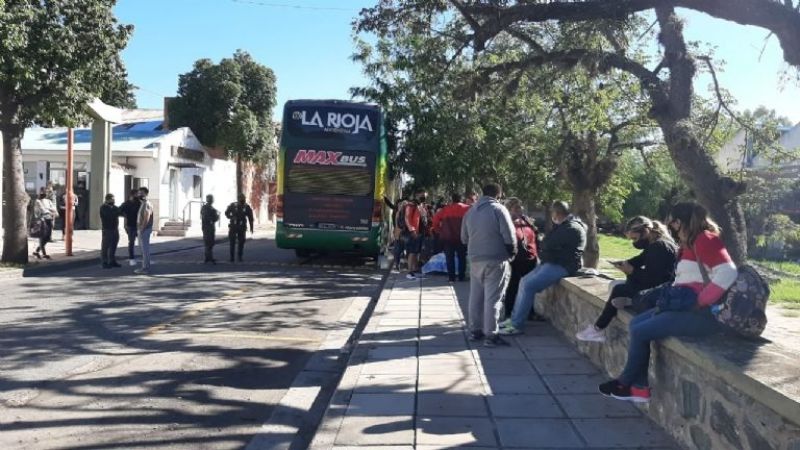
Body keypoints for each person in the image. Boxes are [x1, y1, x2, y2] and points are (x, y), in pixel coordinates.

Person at [599, 202, 737, 403]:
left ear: (680, 222)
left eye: (672, 223)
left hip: (700, 314)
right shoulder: (691, 242)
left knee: (640, 331)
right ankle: (639, 388)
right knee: (636, 324)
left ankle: (626, 383)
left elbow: (728, 272)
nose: (671, 228)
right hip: (682, 306)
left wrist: (700, 301)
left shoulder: (705, 239)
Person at [576, 216, 678, 342]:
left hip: (660, 290)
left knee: (618, 289)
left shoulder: (659, 247)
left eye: (635, 238)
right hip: (657, 286)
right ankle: (629, 302)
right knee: (615, 285)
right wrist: (624, 264)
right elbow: (639, 260)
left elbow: (654, 279)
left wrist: (631, 271)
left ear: (646, 231)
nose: (634, 243)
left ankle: (598, 328)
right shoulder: (654, 244)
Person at [500, 201, 586, 335]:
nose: (552, 216)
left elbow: (547, 243)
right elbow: (547, 243)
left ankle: (517, 325)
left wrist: (544, 245)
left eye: (552, 213)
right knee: (524, 282)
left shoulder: (571, 227)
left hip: (563, 265)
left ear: (557, 213)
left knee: (529, 286)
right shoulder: (565, 225)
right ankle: (513, 319)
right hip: (553, 262)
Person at [461, 183, 517, 347]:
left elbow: (463, 238)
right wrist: (512, 252)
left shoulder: (470, 212)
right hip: (496, 259)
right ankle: (491, 335)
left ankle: (475, 330)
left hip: (475, 259)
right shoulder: (499, 209)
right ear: (498, 195)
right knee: (493, 298)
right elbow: (509, 236)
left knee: (475, 297)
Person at [504, 197, 539, 318]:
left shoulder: (526, 220)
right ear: (509, 209)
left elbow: (534, 235)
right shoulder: (507, 222)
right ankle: (508, 313)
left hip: (531, 257)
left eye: (520, 207)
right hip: (516, 259)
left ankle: (530, 312)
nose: (520, 209)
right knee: (514, 285)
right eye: (516, 207)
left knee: (530, 286)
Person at [433, 193, 470, 282]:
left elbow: (435, 220)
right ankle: (461, 276)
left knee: (449, 258)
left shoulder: (445, 209)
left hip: (448, 238)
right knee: (462, 257)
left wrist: (439, 231)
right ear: (461, 199)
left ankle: (451, 277)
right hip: (462, 237)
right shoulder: (467, 208)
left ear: (452, 200)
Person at [403, 190, 430, 279]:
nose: (424, 197)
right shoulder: (411, 205)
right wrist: (412, 230)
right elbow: (407, 218)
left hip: (420, 232)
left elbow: (424, 219)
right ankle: (409, 272)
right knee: (412, 252)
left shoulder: (421, 206)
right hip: (414, 232)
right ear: (417, 195)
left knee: (417, 252)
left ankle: (415, 269)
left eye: (425, 196)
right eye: (422, 195)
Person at [225, 193, 254, 263]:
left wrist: (251, 227)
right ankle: (232, 257)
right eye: (241, 198)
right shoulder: (233, 205)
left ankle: (239, 256)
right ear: (238, 199)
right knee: (232, 242)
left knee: (241, 242)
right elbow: (226, 213)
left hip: (241, 226)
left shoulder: (246, 207)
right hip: (233, 226)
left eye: (243, 199)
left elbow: (250, 218)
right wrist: (231, 217)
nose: (242, 200)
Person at [32, 191, 58, 260]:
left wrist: (49, 210)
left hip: (49, 219)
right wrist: (48, 210)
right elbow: (39, 211)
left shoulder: (48, 201)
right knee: (42, 237)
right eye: (41, 193)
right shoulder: (37, 201)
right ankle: (44, 254)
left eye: (44, 193)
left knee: (48, 237)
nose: (43, 194)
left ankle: (36, 251)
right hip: (42, 220)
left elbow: (54, 209)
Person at [99, 193, 122, 268]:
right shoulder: (103, 208)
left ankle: (112, 261)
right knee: (105, 246)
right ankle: (104, 262)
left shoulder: (115, 207)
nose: (113, 201)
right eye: (112, 199)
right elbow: (109, 215)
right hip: (107, 229)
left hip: (115, 229)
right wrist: (116, 212)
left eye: (114, 199)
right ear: (107, 200)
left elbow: (120, 212)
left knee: (113, 245)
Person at [135, 187, 154, 275]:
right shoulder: (143, 203)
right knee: (143, 250)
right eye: (139, 193)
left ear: (146, 194)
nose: (139, 195)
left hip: (145, 229)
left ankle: (146, 268)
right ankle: (145, 267)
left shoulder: (147, 204)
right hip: (143, 229)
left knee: (144, 249)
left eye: (141, 193)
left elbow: (147, 217)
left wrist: (142, 229)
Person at [119, 190, 141, 266]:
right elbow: (119, 211)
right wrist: (126, 215)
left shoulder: (139, 203)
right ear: (132, 195)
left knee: (141, 242)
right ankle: (131, 258)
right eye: (137, 194)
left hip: (139, 225)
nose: (138, 196)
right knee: (131, 242)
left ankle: (144, 258)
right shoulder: (126, 204)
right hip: (131, 225)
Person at [201, 194, 220, 264]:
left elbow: (215, 218)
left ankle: (209, 257)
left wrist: (216, 217)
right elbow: (205, 217)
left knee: (211, 242)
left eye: (212, 199)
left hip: (211, 227)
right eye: (210, 199)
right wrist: (213, 218)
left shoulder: (212, 208)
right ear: (208, 200)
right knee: (207, 242)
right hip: (207, 227)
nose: (212, 200)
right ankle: (208, 258)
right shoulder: (205, 208)